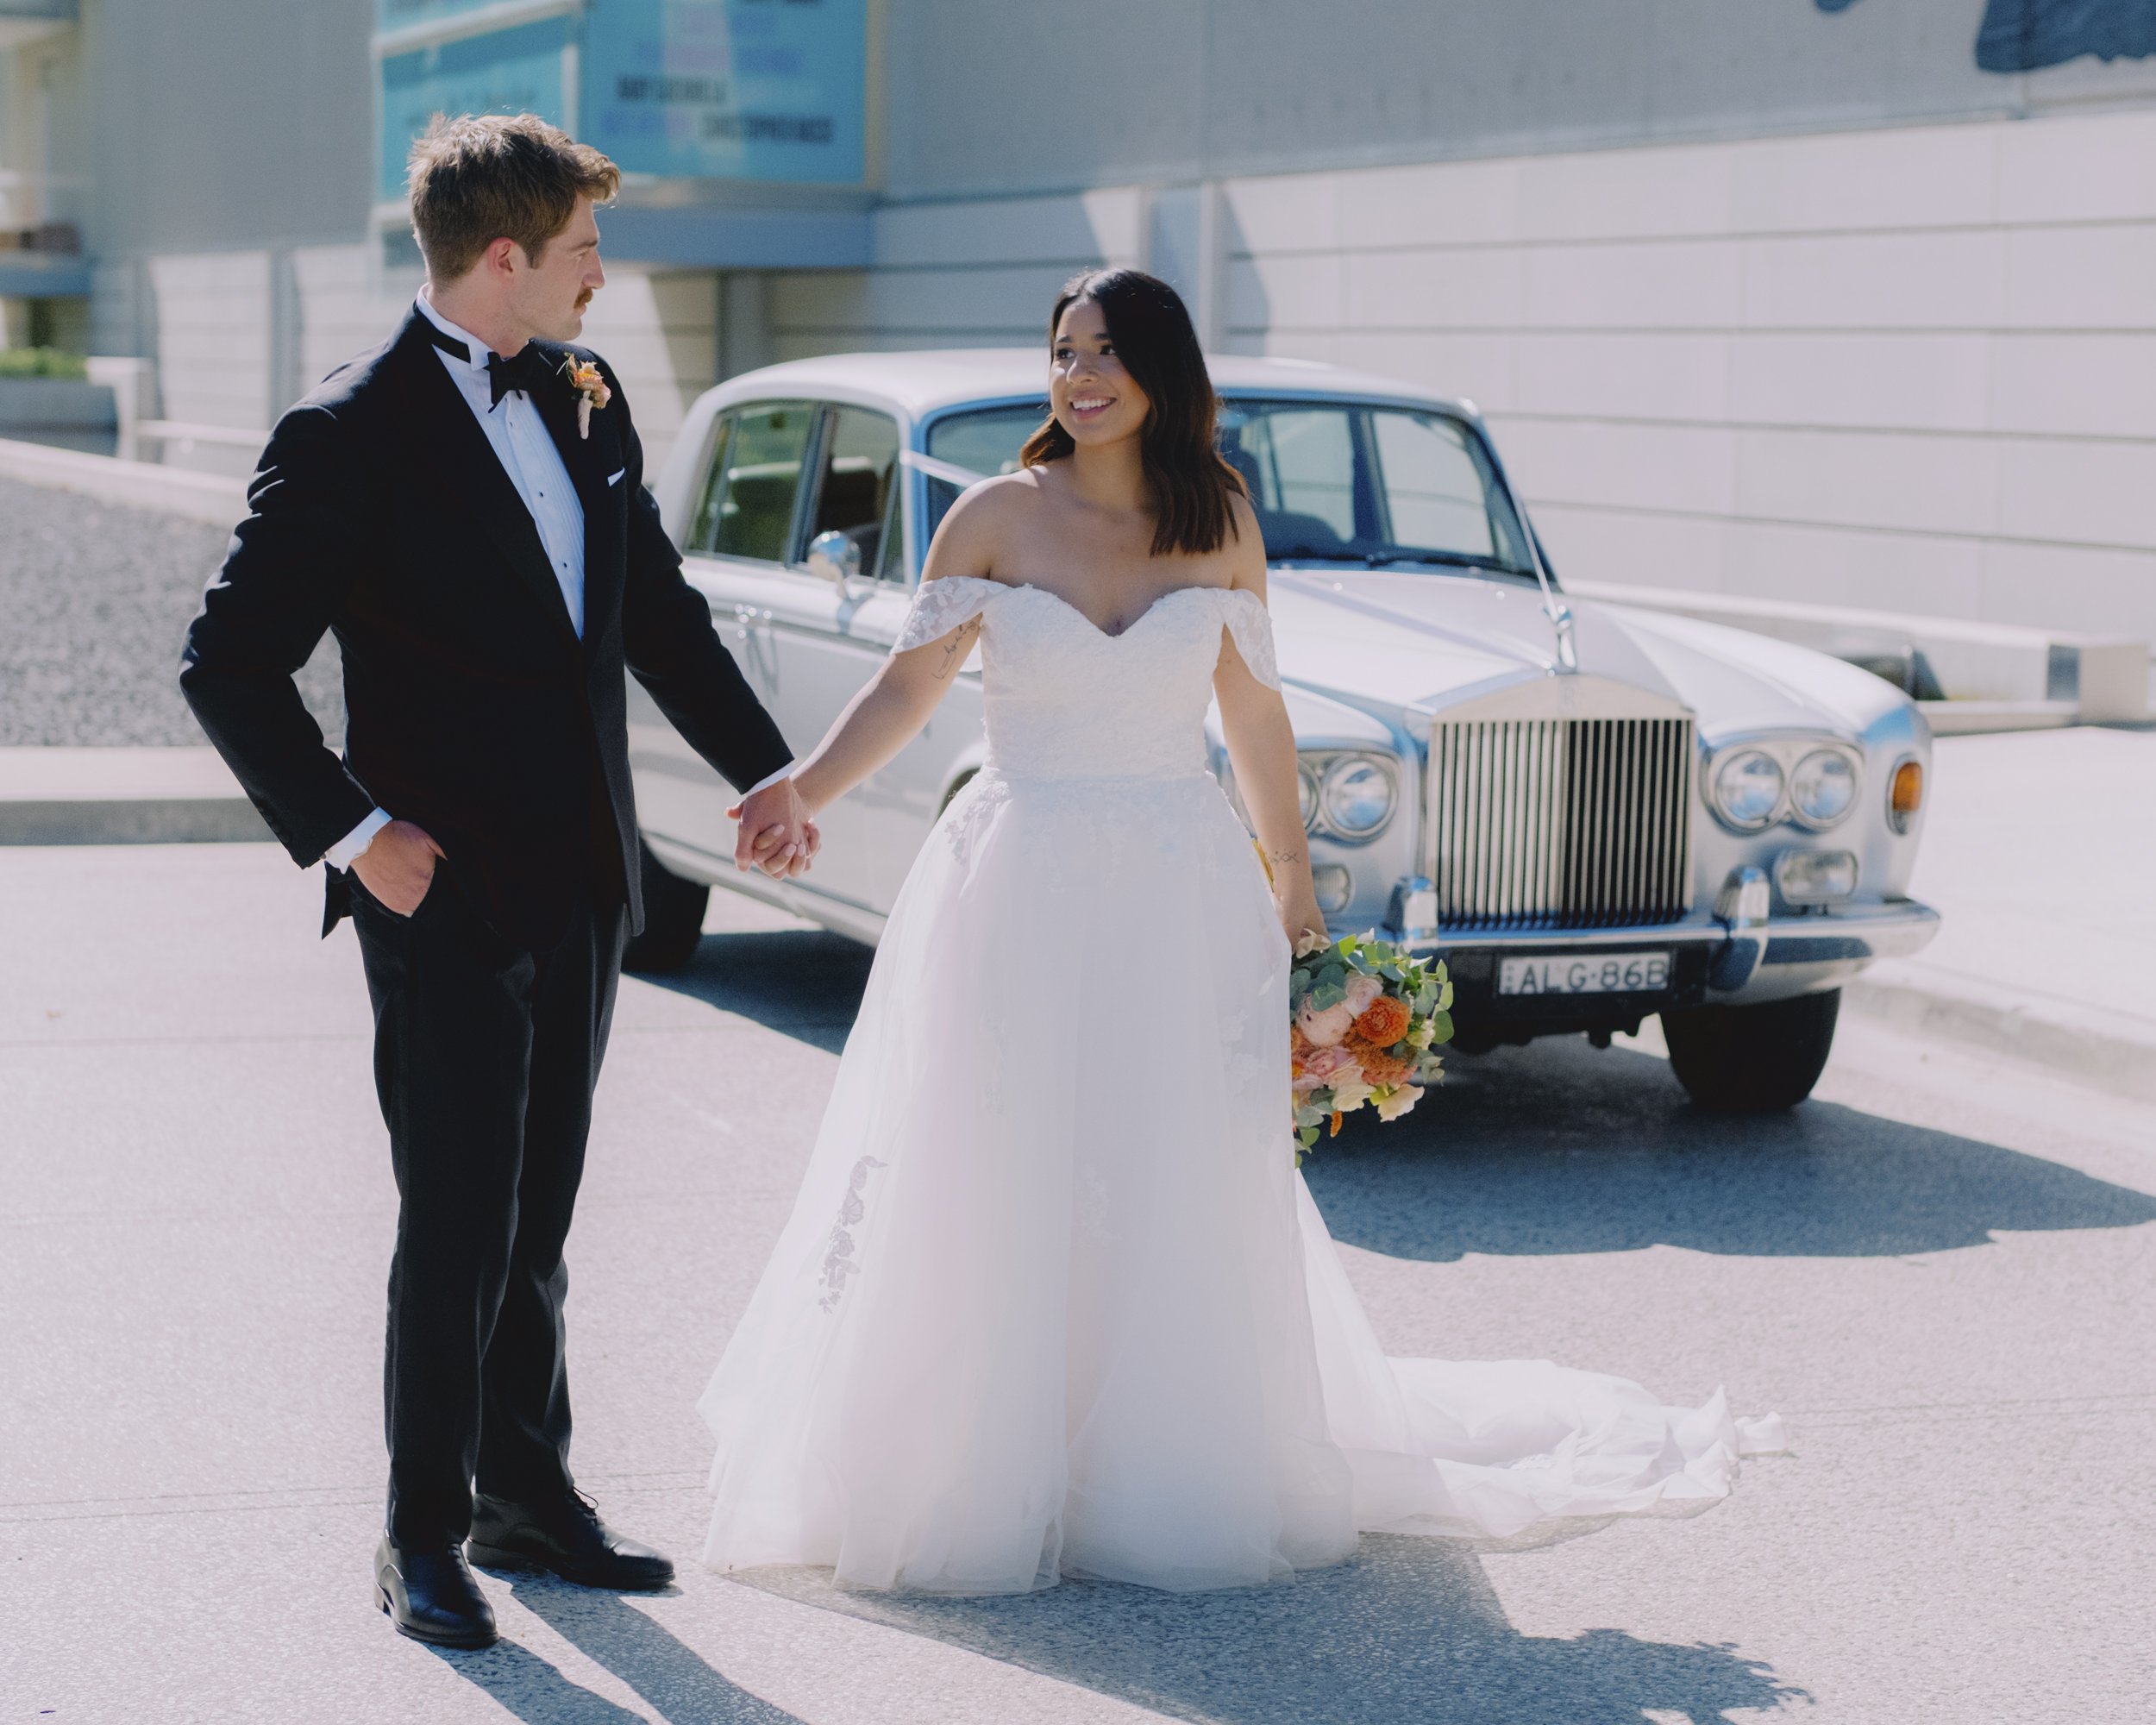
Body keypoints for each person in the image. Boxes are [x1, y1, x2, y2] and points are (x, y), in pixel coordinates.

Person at [696, 268, 1782, 1595]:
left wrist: (1295, 884)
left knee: (1166, 1160)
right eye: (1062, 353)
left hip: (1174, 877)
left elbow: (1257, 714)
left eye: (1105, 352)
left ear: (1162, 368)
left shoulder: (1218, 522)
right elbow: (910, 684)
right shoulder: (988, 516)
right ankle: (987, 1456)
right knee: (1002, 1143)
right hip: (1019, 875)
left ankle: (1151, 1460)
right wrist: (803, 786)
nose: (1078, 376)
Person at [179, 113, 818, 1648]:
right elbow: (227, 664)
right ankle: (420, 1536)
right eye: (588, 249)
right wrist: (352, 831)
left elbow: (653, 612)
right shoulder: (347, 431)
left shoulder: (589, 401)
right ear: (509, 258)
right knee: (454, 1219)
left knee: (540, 1211)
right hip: (438, 890)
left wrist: (765, 768)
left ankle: (528, 1495)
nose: (607, 275)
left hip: (591, 876)